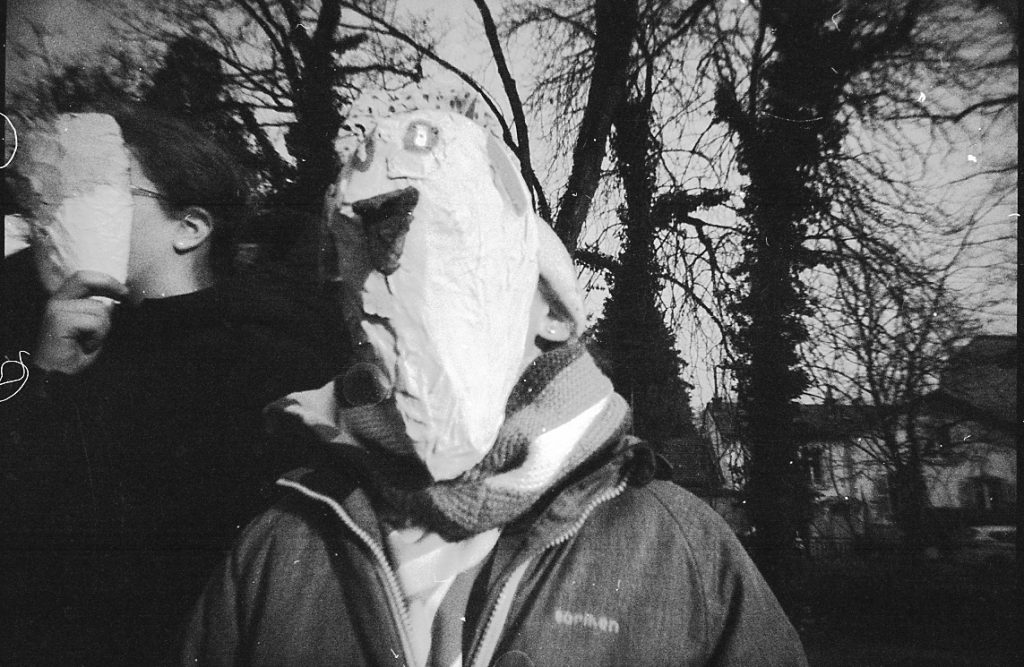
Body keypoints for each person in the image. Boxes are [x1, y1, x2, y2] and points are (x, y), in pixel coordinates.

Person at [180, 109, 807, 666]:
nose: (373, 298)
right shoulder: (278, 547)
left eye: (448, 263)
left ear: (551, 311)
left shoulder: (679, 552)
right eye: (353, 270)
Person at [0, 105, 347, 666]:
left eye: (106, 189)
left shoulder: (266, 361)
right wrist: (44, 383)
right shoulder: (48, 331)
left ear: (189, 228)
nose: (67, 209)